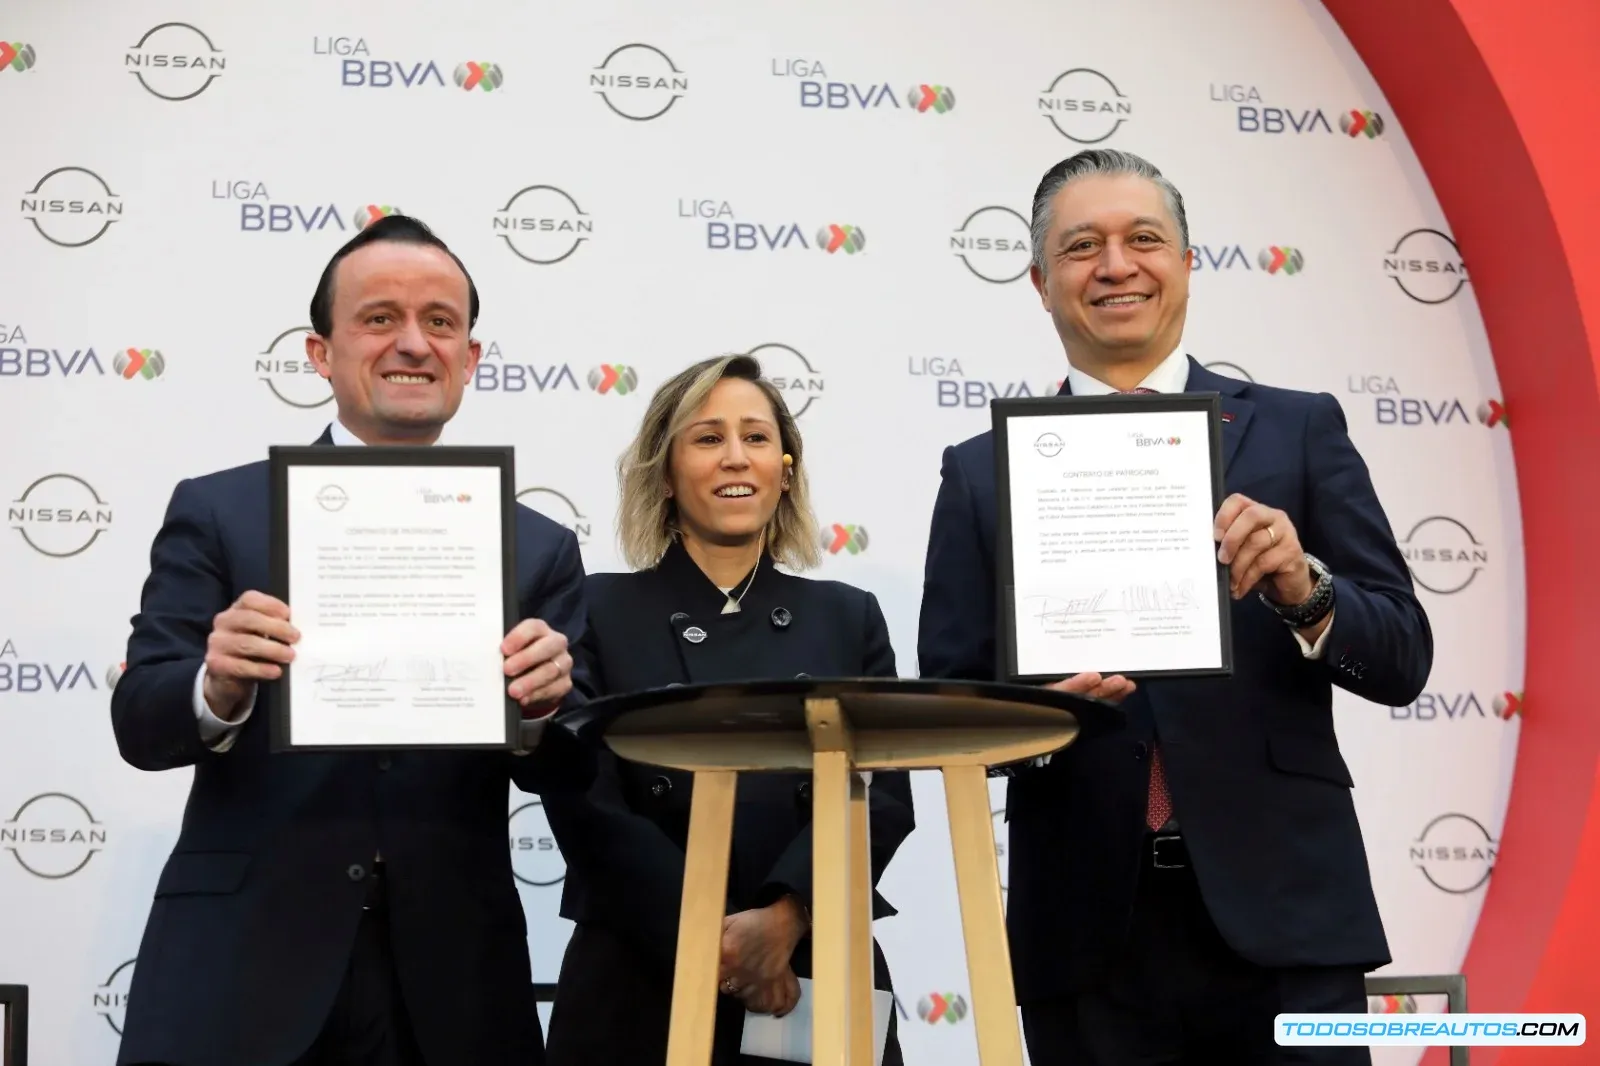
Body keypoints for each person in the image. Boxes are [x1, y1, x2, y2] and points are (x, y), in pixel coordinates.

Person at [916, 149, 1432, 1064]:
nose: (1116, 266)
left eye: (1143, 239)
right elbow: (952, 705)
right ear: (1040, 282)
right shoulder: (980, 471)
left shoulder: (1298, 429)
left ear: (1188, 263)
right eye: (1082, 247)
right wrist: (1043, 716)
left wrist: (1306, 591)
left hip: (1289, 921)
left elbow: (1402, 657)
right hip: (1085, 931)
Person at [110, 214, 595, 1066]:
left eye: (441, 322)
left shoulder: (538, 546)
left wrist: (541, 710)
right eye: (379, 318)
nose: (413, 343)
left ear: (471, 359)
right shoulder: (219, 511)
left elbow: (575, 768)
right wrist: (214, 687)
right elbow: (140, 722)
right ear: (319, 352)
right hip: (242, 969)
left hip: (452, 982)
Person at [541, 354, 916, 1066]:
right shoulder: (594, 608)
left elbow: (884, 797)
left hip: (810, 963)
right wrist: (710, 935)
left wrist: (785, 917)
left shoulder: (848, 616)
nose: (735, 458)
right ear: (666, 470)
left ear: (787, 466)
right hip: (637, 970)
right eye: (707, 438)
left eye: (756, 436)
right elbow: (582, 796)